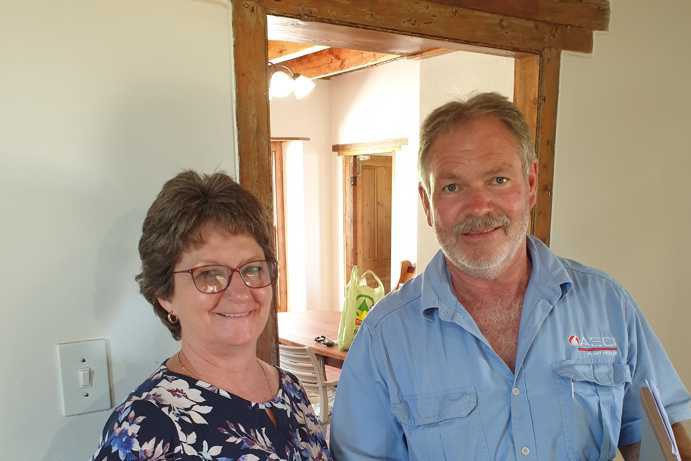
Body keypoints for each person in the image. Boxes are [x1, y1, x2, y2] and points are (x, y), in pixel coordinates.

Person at [330, 93, 691, 460]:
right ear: (427, 203)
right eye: (452, 187)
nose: (479, 206)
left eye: (498, 180)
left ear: (531, 184)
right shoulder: (384, 337)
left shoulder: (608, 304)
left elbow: (662, 434)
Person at [92, 171, 331, 460]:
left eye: (252, 268)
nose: (240, 292)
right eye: (208, 274)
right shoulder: (144, 429)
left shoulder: (291, 390)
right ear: (165, 295)